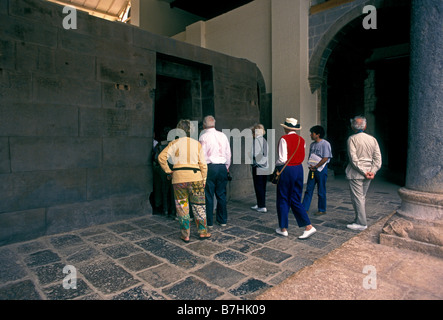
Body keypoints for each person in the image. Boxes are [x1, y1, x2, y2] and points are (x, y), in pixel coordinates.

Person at [157, 119, 211, 242]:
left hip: (178, 179)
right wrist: (204, 179)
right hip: (196, 178)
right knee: (199, 206)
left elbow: (161, 157)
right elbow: (203, 164)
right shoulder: (196, 144)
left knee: (182, 207)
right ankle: (202, 232)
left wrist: (168, 170)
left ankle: (185, 234)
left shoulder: (174, 143)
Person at [275, 118, 316, 239]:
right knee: (295, 198)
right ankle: (307, 225)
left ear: (286, 127)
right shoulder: (301, 140)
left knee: (283, 197)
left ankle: (283, 228)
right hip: (299, 169)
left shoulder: (284, 139)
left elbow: (282, 159)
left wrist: (276, 166)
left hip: (287, 169)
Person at [345, 116, 382, 231]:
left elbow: (353, 159)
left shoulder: (352, 139)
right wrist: (372, 171)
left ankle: (361, 223)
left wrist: (364, 171)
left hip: (357, 173)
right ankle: (358, 220)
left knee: (357, 198)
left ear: (352, 127)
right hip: (369, 173)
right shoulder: (372, 139)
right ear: (365, 126)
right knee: (361, 198)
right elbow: (378, 158)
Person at [199, 115, 231, 228]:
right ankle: (222, 220)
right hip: (222, 167)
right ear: (214, 124)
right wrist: (227, 166)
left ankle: (209, 222)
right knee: (221, 194)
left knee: (208, 195)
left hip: (210, 167)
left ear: (204, 125)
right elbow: (228, 153)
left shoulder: (203, 137)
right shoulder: (223, 135)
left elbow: (201, 155)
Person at [302, 125, 332, 215]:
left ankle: (322, 209)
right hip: (313, 170)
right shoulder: (312, 144)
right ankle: (304, 208)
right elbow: (310, 156)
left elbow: (325, 158)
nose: (310, 135)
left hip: (321, 170)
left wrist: (316, 166)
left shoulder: (325, 144)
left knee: (321, 190)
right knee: (309, 189)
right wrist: (310, 165)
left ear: (318, 134)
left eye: (312, 133)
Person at [152, 127, 176, 218]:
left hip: (163, 169)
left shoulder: (160, 145)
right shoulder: (175, 145)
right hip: (173, 169)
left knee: (164, 191)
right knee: (173, 191)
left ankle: (165, 209)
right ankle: (173, 210)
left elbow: (156, 158)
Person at [250, 124, 268, 213]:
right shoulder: (264, 140)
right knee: (262, 186)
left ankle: (261, 205)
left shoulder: (256, 140)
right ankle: (260, 203)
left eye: (253, 132)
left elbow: (254, 154)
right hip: (264, 166)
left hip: (258, 166)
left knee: (258, 186)